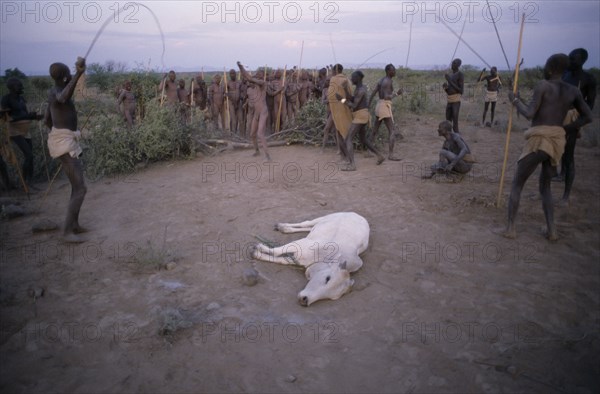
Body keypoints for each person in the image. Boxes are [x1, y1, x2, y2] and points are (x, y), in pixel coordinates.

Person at [502, 53, 592, 241]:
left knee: (517, 183)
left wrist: (514, 100)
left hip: (539, 140)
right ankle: (552, 230)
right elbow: (587, 116)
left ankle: (510, 228)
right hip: (556, 141)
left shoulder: (543, 86)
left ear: (550, 69)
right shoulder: (572, 91)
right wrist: (564, 128)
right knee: (546, 187)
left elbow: (529, 113)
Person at [44, 57, 89, 243]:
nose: (71, 74)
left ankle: (75, 226)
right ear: (64, 78)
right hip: (64, 143)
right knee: (80, 188)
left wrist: (59, 132)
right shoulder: (58, 93)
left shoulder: (53, 92)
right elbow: (63, 98)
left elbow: (47, 120)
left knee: (75, 186)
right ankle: (66, 232)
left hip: (63, 140)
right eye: (68, 74)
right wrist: (79, 74)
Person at [553, 48, 597, 205]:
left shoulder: (588, 79)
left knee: (569, 156)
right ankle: (558, 175)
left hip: (572, 119)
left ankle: (565, 196)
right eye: (569, 58)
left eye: (574, 59)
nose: (570, 62)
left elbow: (589, 107)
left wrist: (575, 125)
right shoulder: (565, 75)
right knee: (553, 152)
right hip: (557, 117)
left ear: (582, 61)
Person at [337, 71, 385, 171]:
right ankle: (380, 155)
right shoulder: (359, 89)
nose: (351, 78)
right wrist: (345, 88)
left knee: (348, 139)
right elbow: (352, 98)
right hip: (361, 115)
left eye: (353, 77)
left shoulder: (361, 90)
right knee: (363, 140)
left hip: (360, 116)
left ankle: (352, 165)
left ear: (358, 78)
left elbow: (353, 105)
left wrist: (341, 100)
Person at [1, 77, 44, 184]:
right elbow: (7, 118)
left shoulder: (21, 99)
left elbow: (24, 115)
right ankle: (24, 182)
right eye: (19, 86)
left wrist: (35, 117)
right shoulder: (6, 99)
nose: (22, 87)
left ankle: (30, 181)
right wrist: (27, 116)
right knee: (29, 155)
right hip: (14, 131)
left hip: (25, 130)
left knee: (31, 157)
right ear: (12, 87)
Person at [368, 64, 404, 161]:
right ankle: (391, 155)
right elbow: (386, 97)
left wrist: (368, 104)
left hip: (379, 105)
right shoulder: (387, 82)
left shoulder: (382, 80)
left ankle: (368, 151)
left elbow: (373, 93)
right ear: (388, 71)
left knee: (375, 129)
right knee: (392, 130)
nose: (395, 71)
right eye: (393, 70)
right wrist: (397, 93)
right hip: (384, 106)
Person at [237, 62, 271, 161]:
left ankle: (267, 156)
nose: (258, 76)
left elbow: (250, 78)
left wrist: (241, 67)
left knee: (260, 133)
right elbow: (248, 78)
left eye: (260, 74)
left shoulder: (263, 84)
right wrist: (241, 68)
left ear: (263, 76)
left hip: (263, 112)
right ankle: (257, 151)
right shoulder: (254, 87)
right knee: (252, 134)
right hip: (257, 113)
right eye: (257, 74)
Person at [327, 64, 353, 157]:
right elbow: (350, 95)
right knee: (345, 129)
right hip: (346, 108)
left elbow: (330, 95)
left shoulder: (333, 79)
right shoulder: (347, 80)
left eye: (333, 71)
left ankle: (346, 155)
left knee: (339, 130)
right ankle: (343, 152)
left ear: (335, 71)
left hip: (337, 109)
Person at [443, 58, 464, 133]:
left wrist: (449, 80)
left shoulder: (460, 74)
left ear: (458, 65)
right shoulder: (451, 75)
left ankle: (457, 138)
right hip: (449, 100)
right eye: (452, 63)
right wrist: (445, 88)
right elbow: (450, 91)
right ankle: (450, 139)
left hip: (456, 101)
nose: (452, 64)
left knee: (455, 120)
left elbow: (461, 91)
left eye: (454, 63)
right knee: (448, 121)